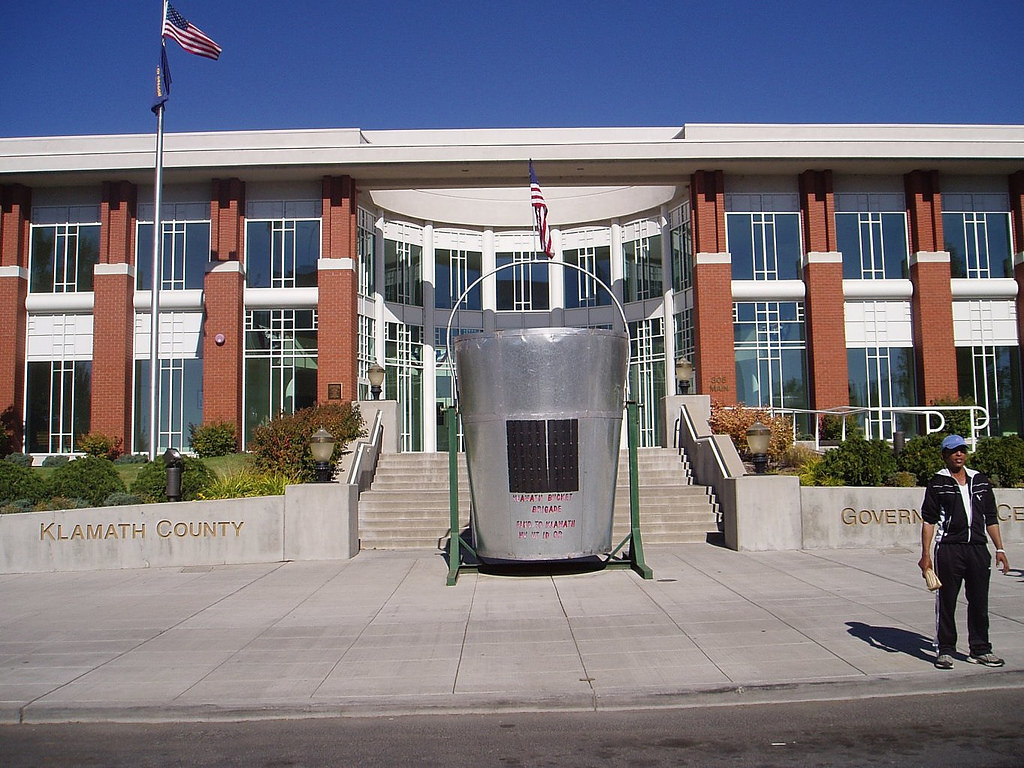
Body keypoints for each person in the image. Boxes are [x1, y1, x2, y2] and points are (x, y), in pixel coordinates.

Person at [919, 434, 1010, 669]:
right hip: (949, 548)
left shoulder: (979, 480)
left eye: (962, 450)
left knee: (979, 600)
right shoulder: (937, 483)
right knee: (947, 600)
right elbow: (929, 521)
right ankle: (945, 650)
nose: (958, 454)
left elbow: (991, 517)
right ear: (944, 455)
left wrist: (999, 548)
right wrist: (926, 555)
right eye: (953, 451)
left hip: (978, 549)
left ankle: (980, 649)